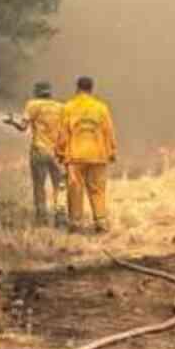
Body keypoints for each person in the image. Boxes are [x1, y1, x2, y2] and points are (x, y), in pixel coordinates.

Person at [55, 76, 117, 234]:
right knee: (97, 189)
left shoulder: (68, 107)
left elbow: (63, 133)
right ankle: (101, 223)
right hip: (98, 155)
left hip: (76, 156)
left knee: (75, 189)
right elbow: (108, 131)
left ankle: (76, 224)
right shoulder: (101, 107)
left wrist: (60, 152)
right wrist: (112, 151)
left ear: (77, 88)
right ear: (91, 89)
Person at [4, 81, 66, 227]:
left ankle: (42, 219)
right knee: (60, 186)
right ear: (50, 92)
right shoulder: (61, 107)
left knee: (39, 186)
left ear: (37, 92)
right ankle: (61, 218)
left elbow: (23, 127)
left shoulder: (33, 104)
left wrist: (12, 121)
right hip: (58, 153)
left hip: (39, 151)